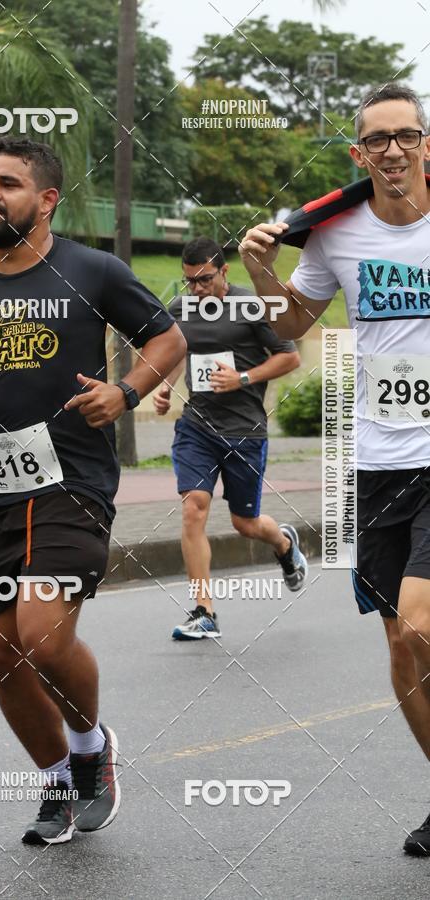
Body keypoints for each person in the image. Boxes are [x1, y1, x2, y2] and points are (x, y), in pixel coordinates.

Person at [0, 136, 186, 844]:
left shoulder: (94, 270)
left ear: (47, 200)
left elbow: (168, 339)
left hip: (71, 481)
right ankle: (56, 779)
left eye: (10, 184)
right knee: (1, 652)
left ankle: (91, 752)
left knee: (43, 637)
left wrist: (124, 391)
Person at [239, 83, 430, 857]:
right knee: (399, 643)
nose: (392, 150)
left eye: (406, 136)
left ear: (426, 146)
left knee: (421, 616)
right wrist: (259, 270)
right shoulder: (334, 234)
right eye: (377, 140)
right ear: (358, 155)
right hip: (376, 459)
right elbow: (291, 325)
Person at [152, 237, 306, 641]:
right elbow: (170, 351)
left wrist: (242, 378)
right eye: (189, 281)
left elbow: (290, 357)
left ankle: (285, 545)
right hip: (197, 427)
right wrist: (165, 386)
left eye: (204, 279)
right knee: (193, 508)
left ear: (224, 271)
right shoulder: (181, 309)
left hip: (244, 431)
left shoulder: (251, 306)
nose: (197, 289)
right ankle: (204, 611)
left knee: (246, 523)